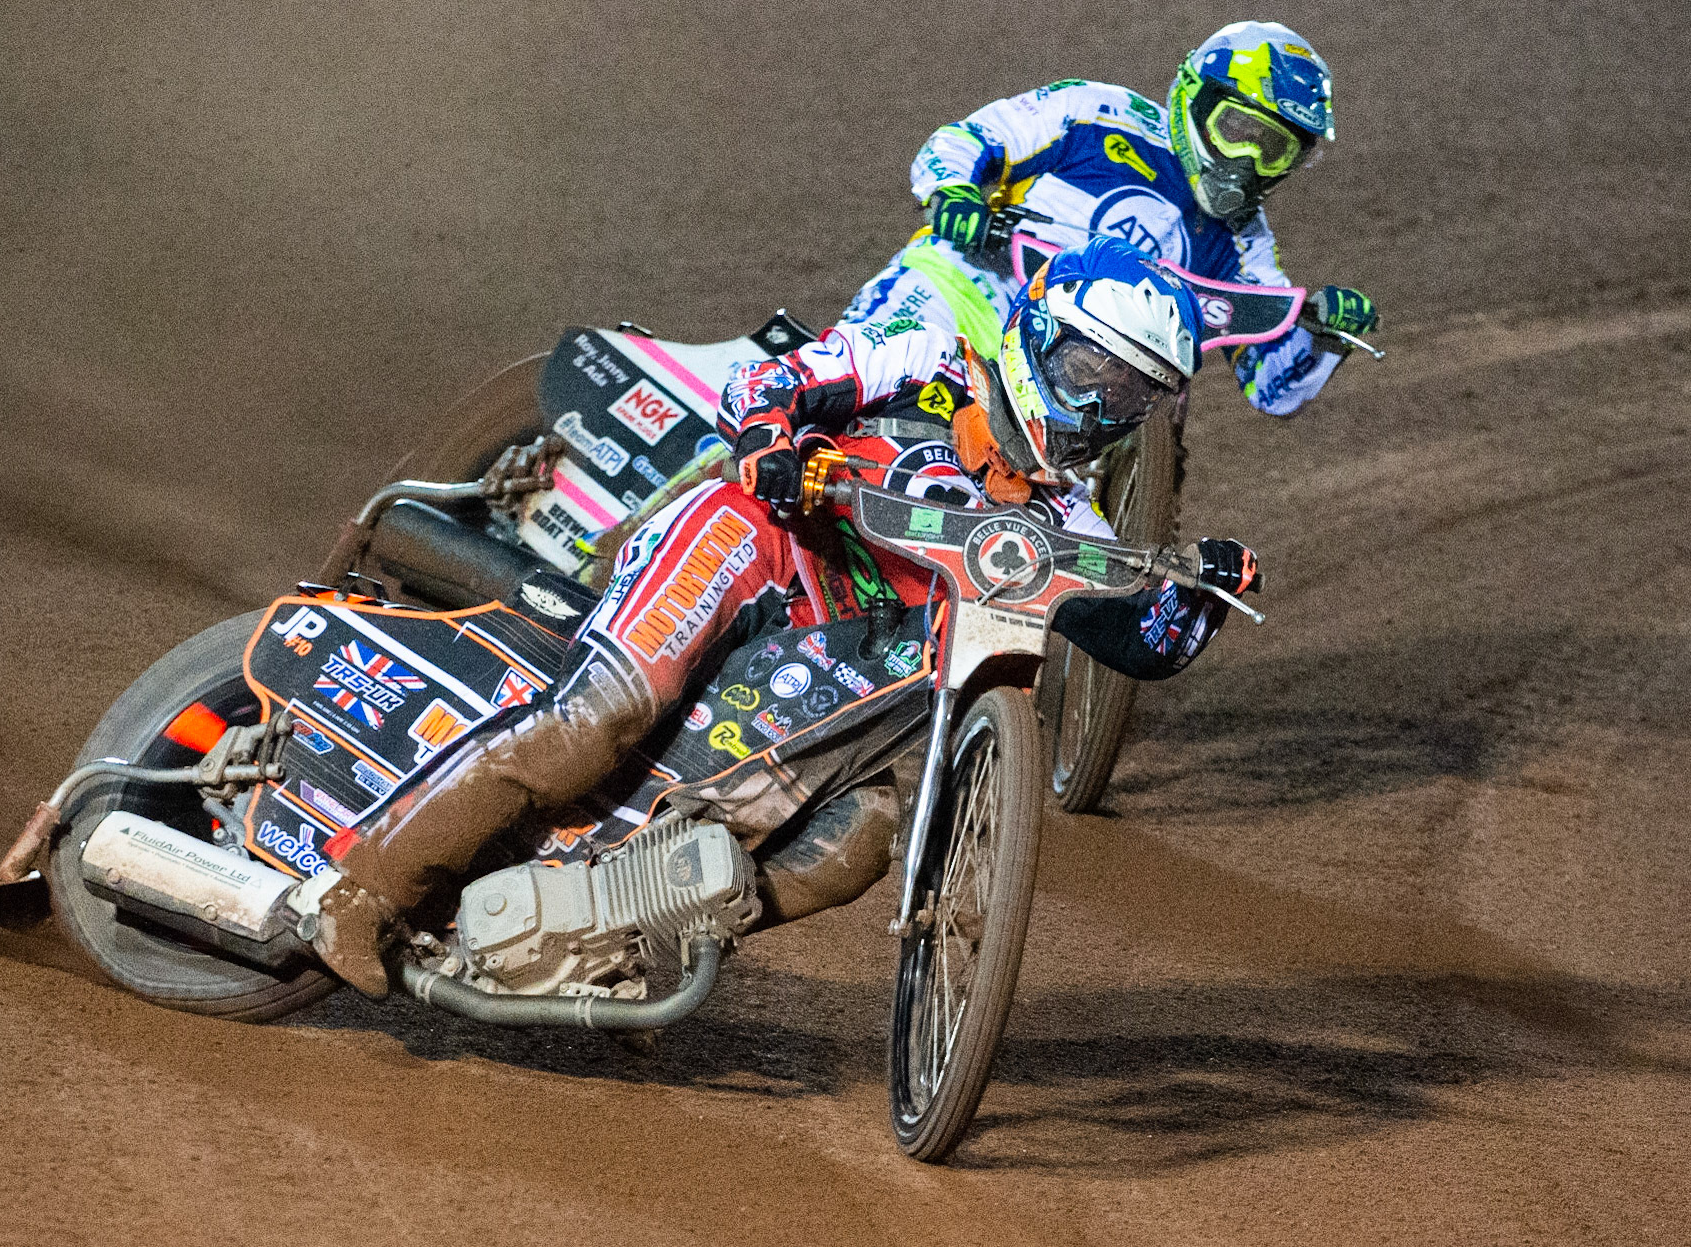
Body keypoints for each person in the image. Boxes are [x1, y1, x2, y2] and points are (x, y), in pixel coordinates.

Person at [301, 238, 1262, 998]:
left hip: (840, 664)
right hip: (751, 545)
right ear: (1037, 332)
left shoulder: (1066, 524)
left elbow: (1142, 642)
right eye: (1090, 368)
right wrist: (772, 443)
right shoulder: (926, 358)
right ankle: (363, 890)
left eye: (1130, 396)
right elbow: (766, 383)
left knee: (860, 837)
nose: (1098, 406)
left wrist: (1203, 596)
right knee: (601, 719)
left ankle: (621, 938)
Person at [843, 21, 1381, 417]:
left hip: (1066, 384)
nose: (1245, 162)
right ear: (1196, 100)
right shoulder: (1097, 113)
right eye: (1237, 130)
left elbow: (1271, 388)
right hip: (964, 293)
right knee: (845, 387)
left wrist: (1324, 339)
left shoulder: (1245, 243)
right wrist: (954, 192)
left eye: (1273, 150)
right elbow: (968, 139)